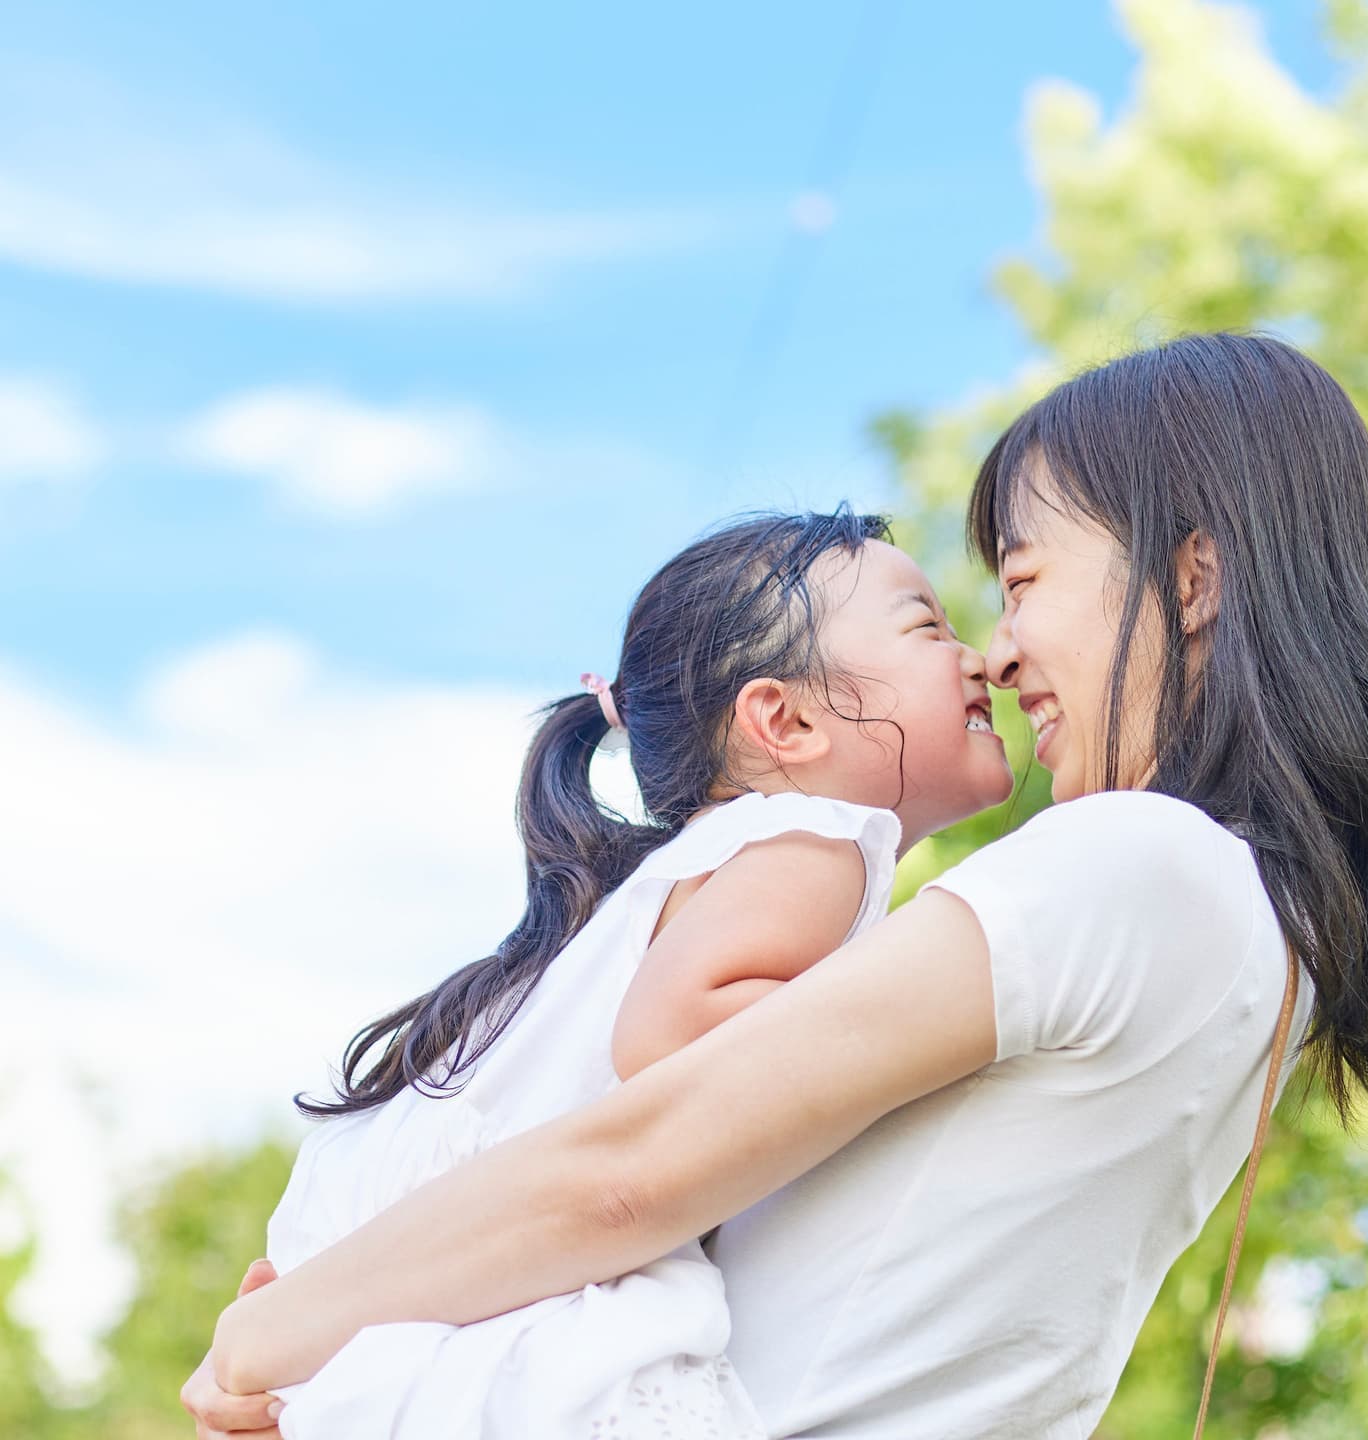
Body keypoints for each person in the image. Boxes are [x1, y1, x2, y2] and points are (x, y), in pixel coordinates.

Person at [185, 334, 1368, 1440]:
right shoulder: (1251, 933)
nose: (996, 653)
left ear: (1192, 580)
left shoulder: (1140, 863)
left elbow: (636, 1159)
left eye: (1022, 582)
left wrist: (274, 1340)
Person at [216, 508, 1014, 1440]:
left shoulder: (677, 878)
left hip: (391, 1293)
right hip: (518, 1300)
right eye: (927, 627)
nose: (978, 658)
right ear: (785, 719)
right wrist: (922, 1048)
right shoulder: (817, 838)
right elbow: (672, 1032)